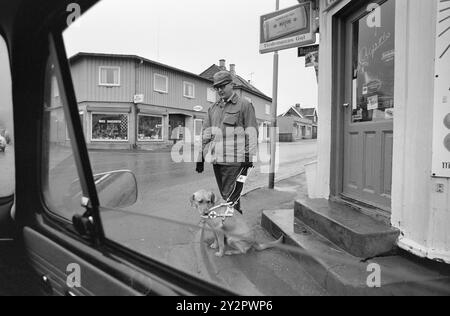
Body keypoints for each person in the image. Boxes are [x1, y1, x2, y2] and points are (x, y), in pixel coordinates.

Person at [196, 71, 258, 214]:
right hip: (217, 161)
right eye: (216, 88)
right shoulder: (213, 108)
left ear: (232, 85)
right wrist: (201, 156)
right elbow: (206, 133)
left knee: (231, 198)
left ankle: (232, 229)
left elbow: (252, 132)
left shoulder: (244, 105)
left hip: (235, 161)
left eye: (222, 86)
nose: (219, 90)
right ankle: (232, 227)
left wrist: (248, 157)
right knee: (226, 196)